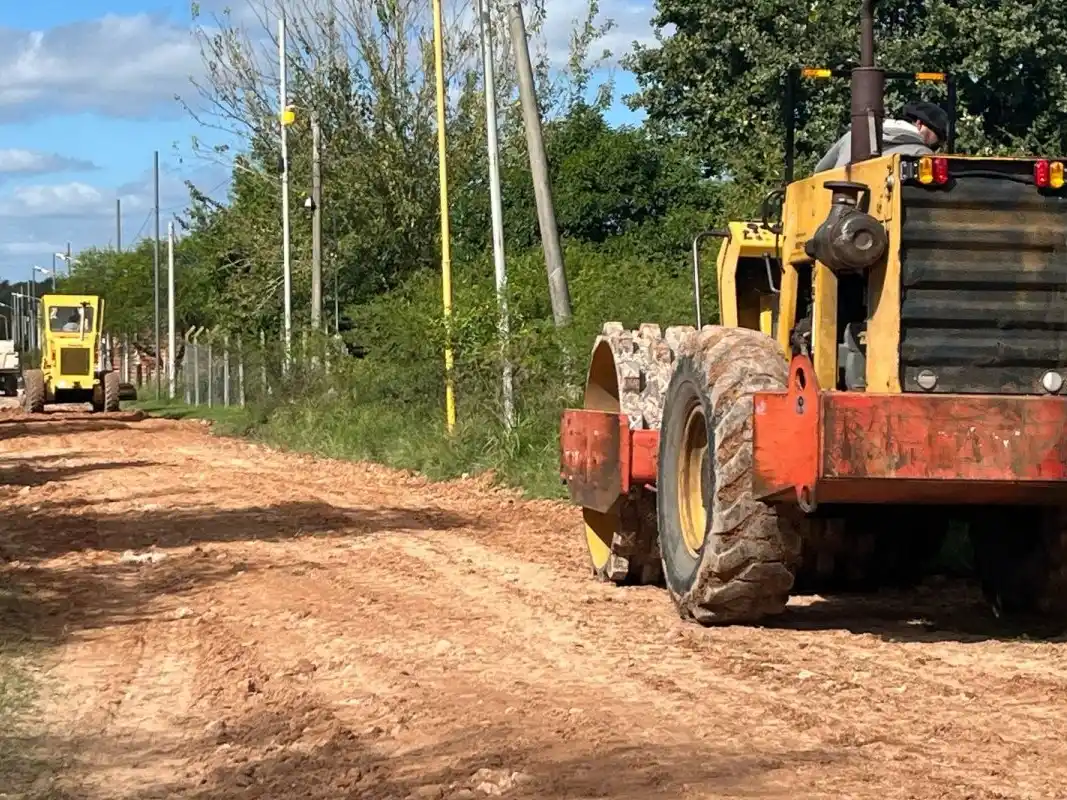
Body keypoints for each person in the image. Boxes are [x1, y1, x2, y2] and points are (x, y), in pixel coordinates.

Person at [813, 100, 949, 173]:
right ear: (920, 124)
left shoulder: (853, 135)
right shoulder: (923, 154)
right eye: (936, 139)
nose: (935, 148)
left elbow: (819, 171)